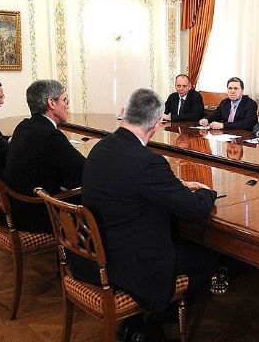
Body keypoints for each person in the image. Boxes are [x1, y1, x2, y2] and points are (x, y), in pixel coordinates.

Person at [81, 88, 219, 341]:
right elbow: (194, 209)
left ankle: (140, 320)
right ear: (157, 124)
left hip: (94, 254)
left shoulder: (101, 148)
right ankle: (152, 323)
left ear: (126, 113)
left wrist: (174, 186)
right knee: (208, 256)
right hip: (130, 263)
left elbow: (130, 186)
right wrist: (207, 192)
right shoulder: (148, 162)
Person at [3, 80, 85, 233]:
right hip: (36, 213)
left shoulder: (24, 126)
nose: (67, 105)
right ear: (51, 103)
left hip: (16, 206)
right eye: (65, 100)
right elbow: (83, 169)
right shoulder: (49, 135)